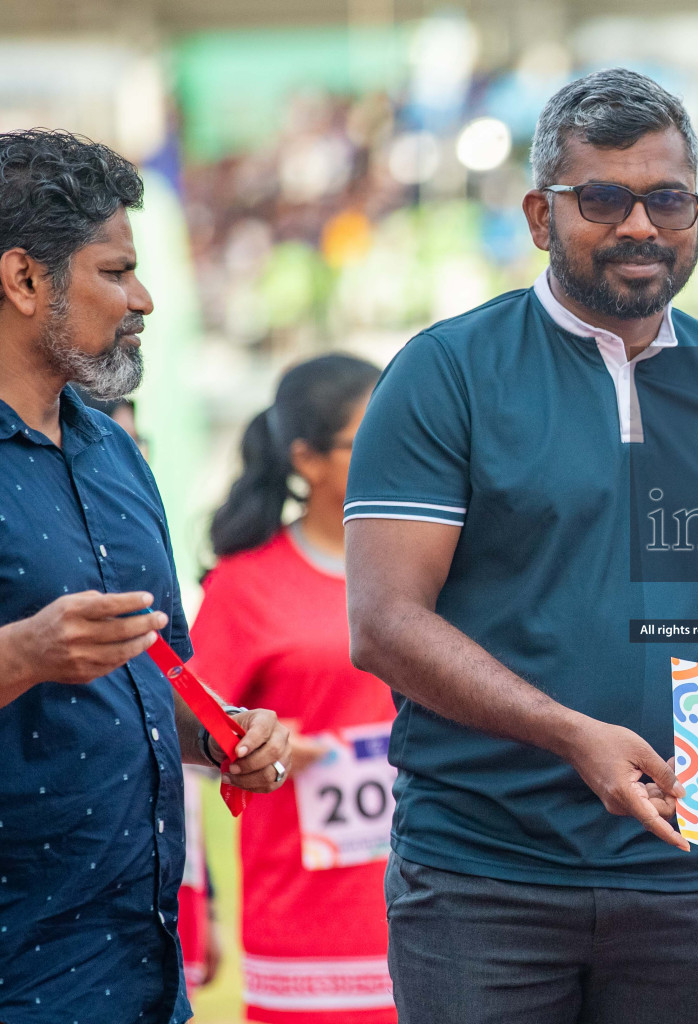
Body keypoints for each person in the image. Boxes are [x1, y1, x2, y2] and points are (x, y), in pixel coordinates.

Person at [344, 69, 698, 1024]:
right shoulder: (445, 372)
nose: (641, 227)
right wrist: (570, 735)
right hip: (480, 881)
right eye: (604, 199)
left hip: (687, 877)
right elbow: (383, 623)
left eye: (668, 200)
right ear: (541, 215)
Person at [0, 128, 289, 1024]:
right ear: (23, 280)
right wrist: (22, 654)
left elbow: (157, 675)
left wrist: (223, 735)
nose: (146, 299)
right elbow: (44, 661)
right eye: (116, 272)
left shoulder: (115, 453)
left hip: (146, 969)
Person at [191, 354, 396, 1022]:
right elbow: (183, 729)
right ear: (307, 459)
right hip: (309, 943)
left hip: (444, 921)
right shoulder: (244, 588)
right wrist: (260, 743)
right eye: (376, 434)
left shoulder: (436, 574)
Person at [79, 392, 223, 993]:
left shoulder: (134, 528)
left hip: (151, 898)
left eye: (140, 448)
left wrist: (227, 739)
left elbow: (169, 708)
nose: (141, 300)